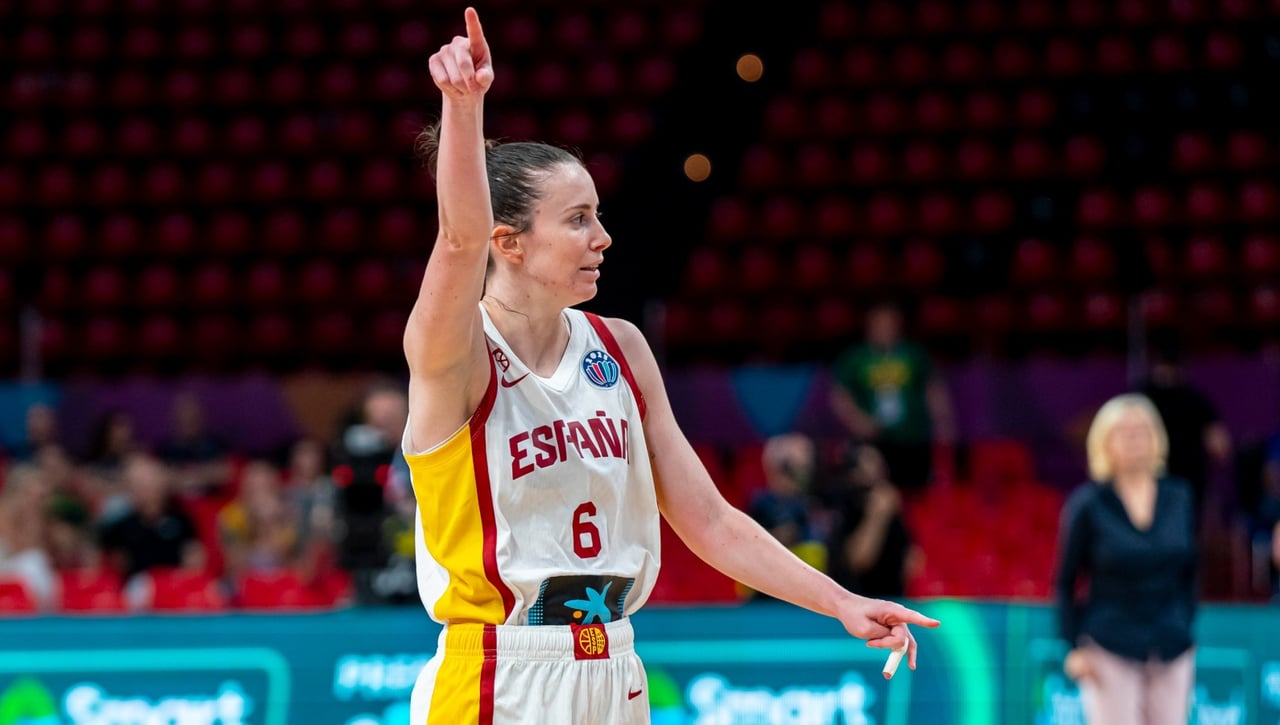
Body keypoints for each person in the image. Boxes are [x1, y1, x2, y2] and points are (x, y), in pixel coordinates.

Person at [401, 10, 938, 723]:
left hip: (617, 664)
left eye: (598, 214)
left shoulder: (620, 348)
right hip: (500, 670)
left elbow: (710, 520)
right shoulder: (455, 353)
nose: (604, 236)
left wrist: (839, 600)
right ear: (511, 241)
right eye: (578, 218)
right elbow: (458, 238)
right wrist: (463, 110)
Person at [1055, 394, 1197, 725]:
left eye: (1143, 429)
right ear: (1104, 442)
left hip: (1171, 643)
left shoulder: (1179, 497)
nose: (1135, 438)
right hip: (1109, 643)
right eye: (1125, 431)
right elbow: (1065, 581)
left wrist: (1185, 621)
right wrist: (1073, 646)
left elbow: (1190, 570)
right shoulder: (1087, 504)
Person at [829, 302, 954, 493]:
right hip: (873, 442)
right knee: (873, 492)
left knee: (915, 493)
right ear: (870, 325)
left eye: (891, 323)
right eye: (881, 323)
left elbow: (933, 390)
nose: (886, 329)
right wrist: (859, 422)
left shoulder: (914, 355)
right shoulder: (855, 359)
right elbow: (840, 397)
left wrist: (943, 421)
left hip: (912, 438)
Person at [1135, 341, 1231, 521]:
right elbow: (1219, 446)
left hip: (1152, 478)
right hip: (1188, 480)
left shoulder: (1140, 397)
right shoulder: (1196, 399)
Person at [98, 453, 205, 586]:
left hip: (175, 587)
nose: (142, 489)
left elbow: (195, 561)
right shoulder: (119, 527)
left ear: (160, 483)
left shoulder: (183, 520)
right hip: (135, 592)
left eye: (146, 482)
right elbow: (106, 566)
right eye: (135, 483)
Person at [826, 443, 917, 599]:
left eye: (879, 462)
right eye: (869, 462)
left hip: (893, 598)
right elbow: (858, 561)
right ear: (853, 473)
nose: (878, 468)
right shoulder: (845, 506)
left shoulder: (891, 505)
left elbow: (913, 560)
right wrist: (876, 516)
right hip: (857, 599)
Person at [745, 433, 828, 598]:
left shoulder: (814, 503)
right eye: (794, 468)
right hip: (768, 596)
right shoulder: (761, 503)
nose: (802, 474)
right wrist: (777, 537)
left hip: (815, 594)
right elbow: (744, 548)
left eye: (806, 467)